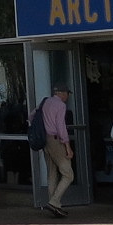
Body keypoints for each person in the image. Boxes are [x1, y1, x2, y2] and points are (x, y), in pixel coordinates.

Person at [39, 84, 75, 218]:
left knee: (52, 173)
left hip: (45, 140)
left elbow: (31, 116)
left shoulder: (45, 102)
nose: (68, 96)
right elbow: (61, 127)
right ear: (61, 93)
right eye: (67, 93)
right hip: (55, 140)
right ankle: (54, 201)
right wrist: (67, 146)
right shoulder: (60, 105)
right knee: (68, 174)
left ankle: (55, 205)